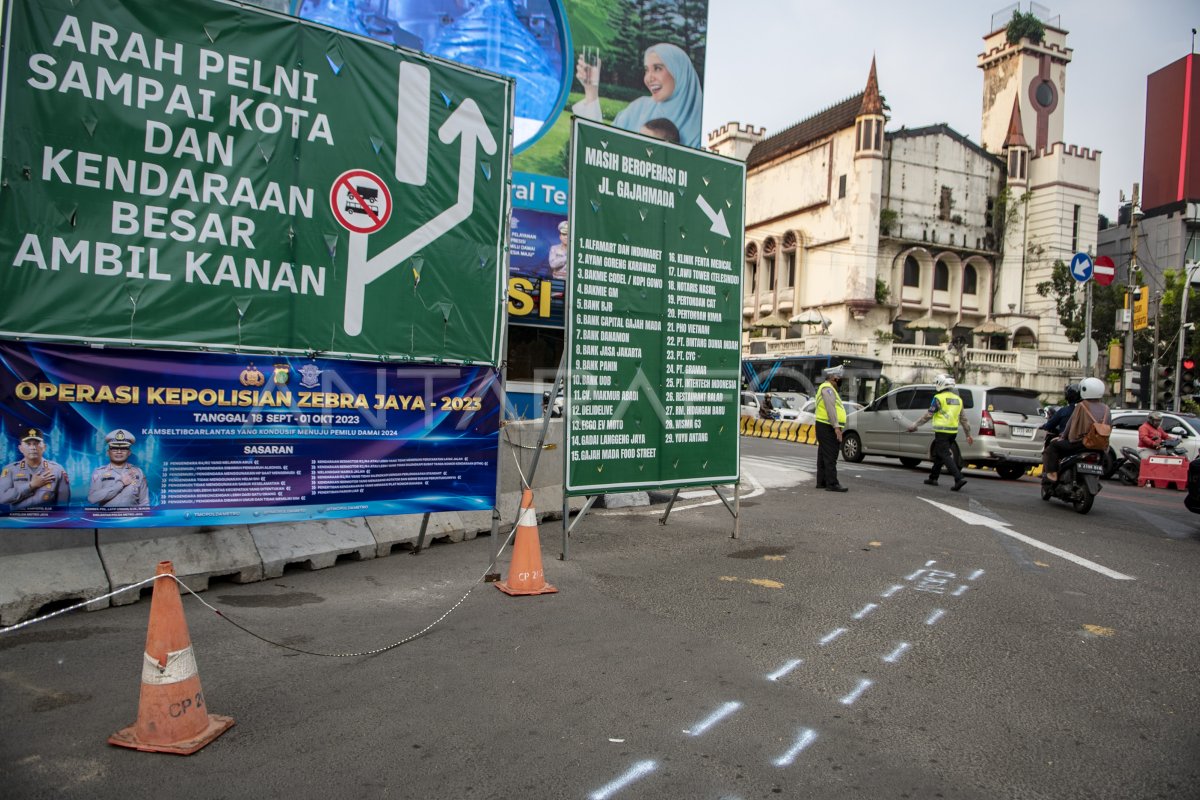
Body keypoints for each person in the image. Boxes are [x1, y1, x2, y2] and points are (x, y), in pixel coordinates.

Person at [573, 43, 703, 148]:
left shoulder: (701, 130)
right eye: (647, 70)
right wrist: (591, 91)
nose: (648, 78)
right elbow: (600, 147)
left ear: (679, 72)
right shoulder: (639, 108)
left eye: (657, 68)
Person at [906, 374, 974, 491]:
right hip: (953, 432)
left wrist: (915, 425)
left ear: (940, 384)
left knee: (944, 454)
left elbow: (929, 415)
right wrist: (968, 435)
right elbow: (964, 419)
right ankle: (933, 478)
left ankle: (958, 478)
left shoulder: (938, 398)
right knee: (939, 454)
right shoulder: (958, 399)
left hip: (942, 431)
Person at [1043, 377, 1111, 482]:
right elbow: (1108, 426)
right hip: (1100, 446)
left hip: (1081, 443)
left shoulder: (1081, 405)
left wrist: (1063, 437)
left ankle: (1052, 474)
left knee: (1053, 447)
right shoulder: (1107, 409)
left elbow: (1071, 424)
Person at [0, 428, 71, 509]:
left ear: (44, 447)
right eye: (28, 444)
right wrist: (31, 485)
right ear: (20, 448)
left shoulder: (57, 469)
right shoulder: (10, 470)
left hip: (46, 520)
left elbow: (63, 504)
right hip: (18, 519)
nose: (33, 447)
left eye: (36, 443)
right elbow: (2, 498)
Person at [88, 429, 149, 508]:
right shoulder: (99, 473)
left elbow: (144, 502)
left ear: (129, 452)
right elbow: (92, 499)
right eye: (114, 448)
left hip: (131, 519)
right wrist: (120, 484)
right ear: (108, 452)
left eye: (123, 448)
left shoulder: (138, 472)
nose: (119, 451)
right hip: (107, 519)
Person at [814, 365, 848, 492]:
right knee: (831, 455)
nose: (840, 380)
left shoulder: (825, 388)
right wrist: (836, 427)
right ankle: (832, 483)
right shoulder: (828, 389)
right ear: (834, 378)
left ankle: (822, 481)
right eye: (839, 378)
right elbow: (830, 408)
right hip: (827, 426)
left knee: (823, 455)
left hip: (823, 425)